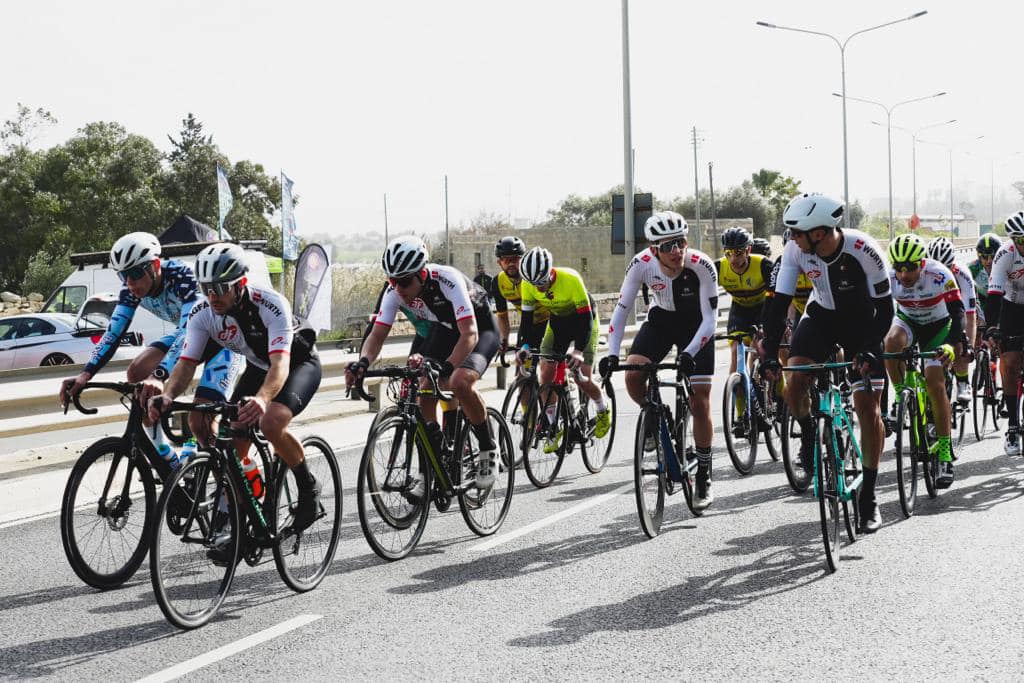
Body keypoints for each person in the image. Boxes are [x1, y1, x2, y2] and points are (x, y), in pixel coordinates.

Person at [147, 243, 323, 533]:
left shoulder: (269, 303)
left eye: (219, 287)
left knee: (271, 421)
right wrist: (167, 395)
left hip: (297, 363)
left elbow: (279, 365)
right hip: (258, 366)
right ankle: (240, 513)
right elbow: (187, 364)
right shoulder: (204, 312)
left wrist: (263, 400)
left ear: (240, 283)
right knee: (233, 443)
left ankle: (308, 488)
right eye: (206, 288)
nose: (212, 296)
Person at [760, 193, 893, 533]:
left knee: (868, 407)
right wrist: (768, 355)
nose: (790, 238)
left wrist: (868, 350)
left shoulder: (863, 249)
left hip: (865, 323)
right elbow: (779, 306)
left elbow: (886, 310)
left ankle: (869, 498)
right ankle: (808, 433)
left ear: (818, 232)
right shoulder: (794, 251)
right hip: (821, 317)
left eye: (795, 232)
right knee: (795, 376)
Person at [59, 232, 242, 447]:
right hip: (189, 334)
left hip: (223, 340)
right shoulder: (131, 290)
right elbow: (113, 334)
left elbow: (188, 333)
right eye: (122, 275)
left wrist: (159, 375)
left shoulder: (183, 277)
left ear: (155, 265)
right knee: (136, 374)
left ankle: (222, 474)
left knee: (199, 423)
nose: (129, 282)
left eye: (135, 273)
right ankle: (164, 457)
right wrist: (85, 374)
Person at [346, 236, 502, 488]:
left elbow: (469, 334)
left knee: (459, 382)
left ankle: (487, 448)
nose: (398, 289)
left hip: (479, 330)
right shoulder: (395, 291)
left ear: (422, 274)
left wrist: (448, 368)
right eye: (392, 281)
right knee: (424, 386)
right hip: (445, 330)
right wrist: (362, 362)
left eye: (405, 282)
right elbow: (377, 334)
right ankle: (435, 459)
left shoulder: (447, 280)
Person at [599, 211, 718, 509]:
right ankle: (655, 415)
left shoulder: (701, 265)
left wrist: (689, 353)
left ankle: (703, 473)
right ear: (654, 250)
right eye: (667, 246)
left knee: (700, 400)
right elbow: (622, 309)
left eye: (680, 242)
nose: (676, 251)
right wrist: (612, 354)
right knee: (633, 374)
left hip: (697, 326)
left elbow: (711, 320)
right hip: (662, 322)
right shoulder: (641, 264)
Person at [885, 234, 963, 486]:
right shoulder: (888, 278)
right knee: (890, 343)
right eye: (899, 268)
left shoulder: (939, 274)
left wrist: (951, 345)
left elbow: (958, 313)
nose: (904, 274)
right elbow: (878, 313)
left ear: (922, 263)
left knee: (934, 385)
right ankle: (900, 395)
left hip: (938, 327)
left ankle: (943, 452)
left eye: (910, 267)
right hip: (908, 322)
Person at [516, 246, 611, 445]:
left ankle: (602, 409)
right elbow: (527, 321)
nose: (538, 288)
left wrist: (577, 351)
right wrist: (524, 346)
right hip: (558, 323)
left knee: (582, 377)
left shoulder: (571, 279)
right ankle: (554, 426)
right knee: (545, 376)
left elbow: (585, 320)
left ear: (550, 272)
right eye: (533, 284)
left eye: (541, 282)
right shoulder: (528, 285)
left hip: (584, 322)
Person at [982, 212, 1024, 455]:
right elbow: (994, 295)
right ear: (1014, 241)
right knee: (1009, 363)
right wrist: (992, 328)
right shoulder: (1005, 254)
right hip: (1010, 307)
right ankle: (1012, 426)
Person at [716, 227, 774, 375]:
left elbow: (776, 297)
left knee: (762, 350)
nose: (733, 259)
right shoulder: (719, 267)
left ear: (748, 250)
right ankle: (737, 394)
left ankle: (779, 394)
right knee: (736, 352)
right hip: (740, 310)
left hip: (763, 308)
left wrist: (766, 324)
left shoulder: (763, 265)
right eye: (728, 253)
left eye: (738, 253)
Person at [927, 236, 976, 403]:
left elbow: (969, 315)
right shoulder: (924, 272)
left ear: (952, 265)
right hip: (936, 310)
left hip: (958, 307)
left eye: (946, 267)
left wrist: (969, 345)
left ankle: (963, 381)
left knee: (961, 340)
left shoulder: (962, 274)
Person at [489, 236, 550, 354]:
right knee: (522, 363)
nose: (511, 263)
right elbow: (502, 315)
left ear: (523, 259)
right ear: (499, 263)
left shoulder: (534, 276)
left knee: (547, 363)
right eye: (506, 260)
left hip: (549, 321)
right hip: (527, 324)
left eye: (515, 259)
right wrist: (504, 339)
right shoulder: (498, 282)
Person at [969, 233, 1002, 341]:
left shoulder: (1005, 265)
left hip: (999, 300)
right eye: (984, 257)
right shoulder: (972, 268)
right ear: (979, 256)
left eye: (993, 257)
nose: (989, 261)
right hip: (981, 301)